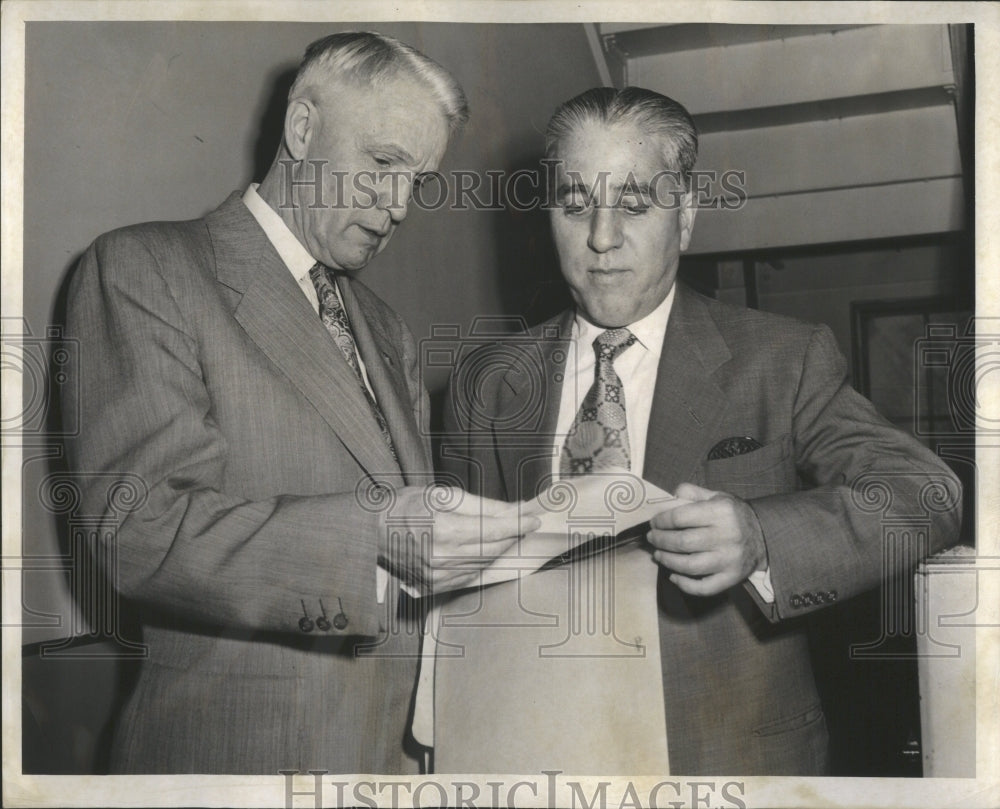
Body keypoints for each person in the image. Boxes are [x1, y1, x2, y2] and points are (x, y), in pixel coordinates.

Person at [439, 86, 963, 775]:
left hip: (730, 761)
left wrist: (761, 535)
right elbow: (455, 586)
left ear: (685, 217)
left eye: (633, 203)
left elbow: (927, 493)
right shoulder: (486, 379)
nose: (601, 237)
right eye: (574, 203)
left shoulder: (783, 358)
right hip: (538, 755)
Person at [63, 31, 530, 774]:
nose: (400, 206)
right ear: (302, 128)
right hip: (238, 762)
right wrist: (377, 533)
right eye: (383, 164)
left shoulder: (384, 327)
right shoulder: (147, 268)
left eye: (418, 181)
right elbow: (138, 528)